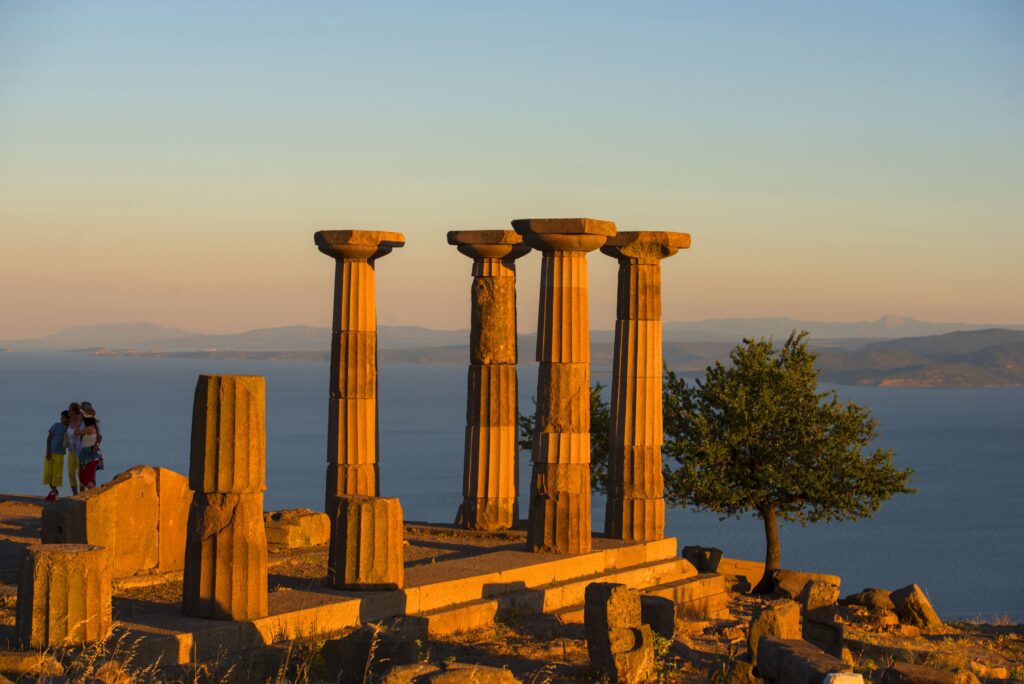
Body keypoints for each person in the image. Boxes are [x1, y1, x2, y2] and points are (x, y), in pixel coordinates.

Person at [43, 410, 69, 501]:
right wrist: (48, 451)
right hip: (51, 452)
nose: (61, 419)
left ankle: (53, 492)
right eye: (61, 417)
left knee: (56, 475)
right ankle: (54, 491)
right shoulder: (56, 425)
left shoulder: (69, 428)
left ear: (67, 418)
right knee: (48, 474)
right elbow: (49, 438)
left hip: (60, 454)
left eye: (63, 417)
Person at [76, 416, 101, 490]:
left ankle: (94, 492)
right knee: (90, 478)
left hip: (87, 455)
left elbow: (76, 432)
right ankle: (93, 493)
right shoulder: (94, 428)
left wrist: (79, 422)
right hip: (92, 456)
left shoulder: (89, 429)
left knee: (84, 478)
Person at [80, 401, 104, 471]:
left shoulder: (94, 421)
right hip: (83, 448)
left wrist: (96, 445)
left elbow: (100, 436)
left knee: (88, 472)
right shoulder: (83, 420)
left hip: (90, 449)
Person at [65, 402, 83, 495]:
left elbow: (78, 433)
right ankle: (75, 494)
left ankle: (81, 494)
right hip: (71, 451)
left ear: (75, 411)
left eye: (70, 410)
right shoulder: (69, 421)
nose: (68, 411)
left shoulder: (80, 422)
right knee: (71, 474)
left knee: (80, 474)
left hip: (79, 451)